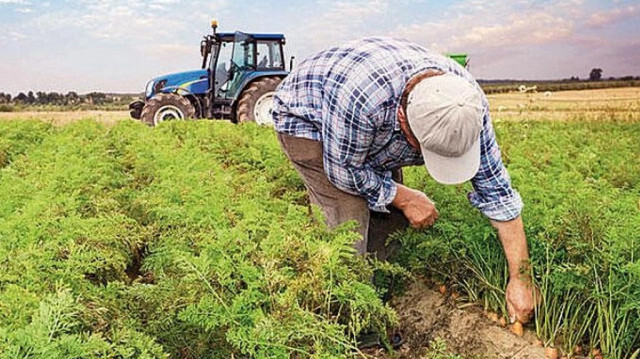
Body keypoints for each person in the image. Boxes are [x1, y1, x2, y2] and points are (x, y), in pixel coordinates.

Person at [271, 37, 538, 325]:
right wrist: (406, 197)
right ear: (402, 119)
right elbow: (344, 171)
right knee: (348, 225)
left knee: (391, 217)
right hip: (309, 121)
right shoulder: (363, 100)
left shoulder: (467, 105)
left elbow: (497, 193)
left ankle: (379, 294)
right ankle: (351, 321)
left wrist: (521, 278)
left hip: (366, 123)